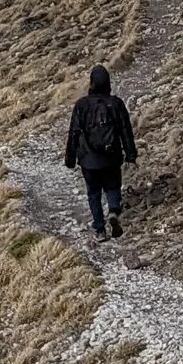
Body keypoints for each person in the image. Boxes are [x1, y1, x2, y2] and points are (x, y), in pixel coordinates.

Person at [64, 63, 137, 238]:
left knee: (93, 192)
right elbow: (125, 130)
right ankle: (113, 211)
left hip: (88, 159)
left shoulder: (82, 105)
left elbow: (74, 132)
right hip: (111, 157)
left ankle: (100, 229)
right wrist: (131, 154)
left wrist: (70, 158)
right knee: (112, 186)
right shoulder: (116, 104)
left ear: (91, 83)